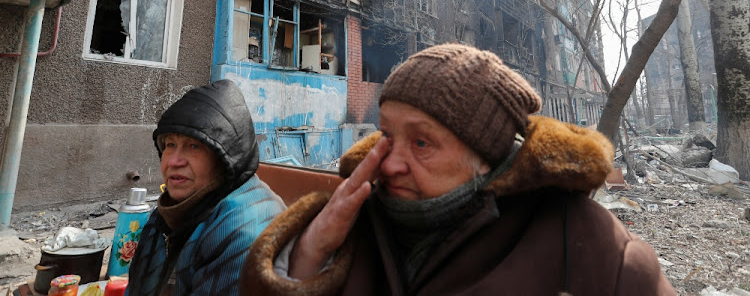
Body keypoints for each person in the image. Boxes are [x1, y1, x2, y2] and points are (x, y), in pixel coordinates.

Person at [241, 43, 676, 295]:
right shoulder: (355, 225)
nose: (389, 162)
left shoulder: (587, 246)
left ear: (484, 155)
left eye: (422, 142)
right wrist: (311, 250)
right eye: (387, 135)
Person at [126, 79, 285, 296]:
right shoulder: (171, 212)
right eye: (170, 145)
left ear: (226, 157)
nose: (174, 161)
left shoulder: (245, 230)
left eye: (194, 146)